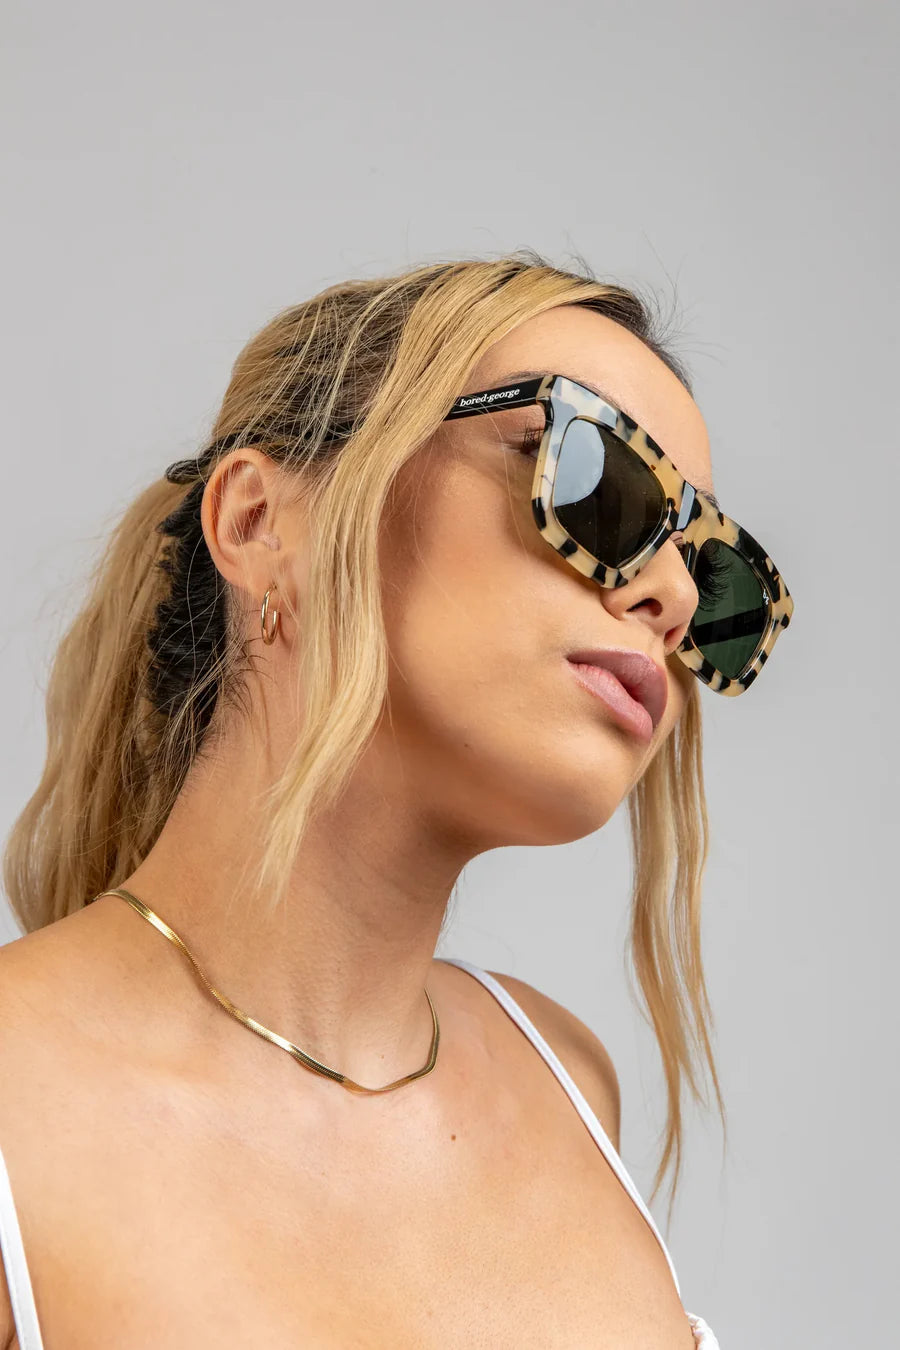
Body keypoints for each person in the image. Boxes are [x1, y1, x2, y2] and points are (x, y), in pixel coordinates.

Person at [0, 252, 793, 1347]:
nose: (669, 595)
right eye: (596, 482)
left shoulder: (569, 1085)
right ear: (261, 523)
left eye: (713, 577)